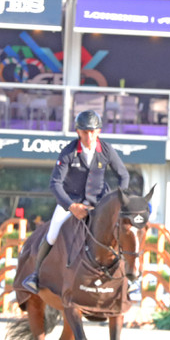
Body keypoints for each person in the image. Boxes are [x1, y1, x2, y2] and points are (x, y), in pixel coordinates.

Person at [22, 110, 130, 294]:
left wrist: (118, 202)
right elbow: (55, 183)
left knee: (120, 232)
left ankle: (129, 282)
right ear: (78, 132)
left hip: (99, 203)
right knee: (53, 231)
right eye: (85, 132)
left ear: (99, 132)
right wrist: (71, 207)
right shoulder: (69, 152)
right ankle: (35, 275)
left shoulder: (106, 150)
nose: (89, 136)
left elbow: (124, 175)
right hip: (71, 202)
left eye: (92, 131)